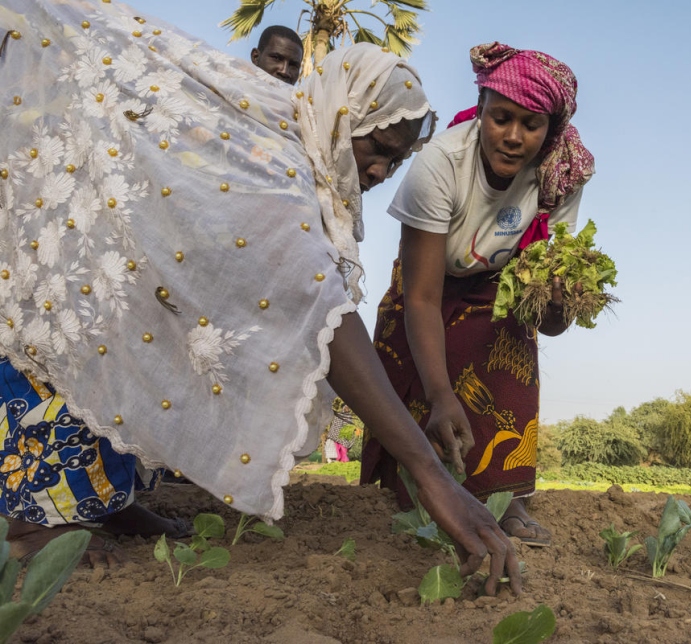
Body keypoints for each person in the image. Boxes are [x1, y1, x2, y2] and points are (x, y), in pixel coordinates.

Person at [0, 1, 520, 594]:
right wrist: (430, 475)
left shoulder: (305, 153)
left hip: (146, 269)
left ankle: (105, 500)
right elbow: (322, 309)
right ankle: (31, 524)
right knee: (81, 337)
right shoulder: (279, 156)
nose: (380, 171)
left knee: (177, 345)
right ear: (343, 116)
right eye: (375, 148)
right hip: (84, 245)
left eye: (396, 160)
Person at [360, 42, 595, 548]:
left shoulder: (561, 175)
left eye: (530, 125)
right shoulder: (441, 163)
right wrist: (442, 395)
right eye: (501, 118)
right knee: (423, 384)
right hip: (428, 280)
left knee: (510, 352)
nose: (512, 137)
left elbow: (550, 321)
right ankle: (420, 488)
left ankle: (508, 500)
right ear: (482, 110)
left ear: (550, 131)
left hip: (497, 283)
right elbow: (422, 297)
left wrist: (556, 308)